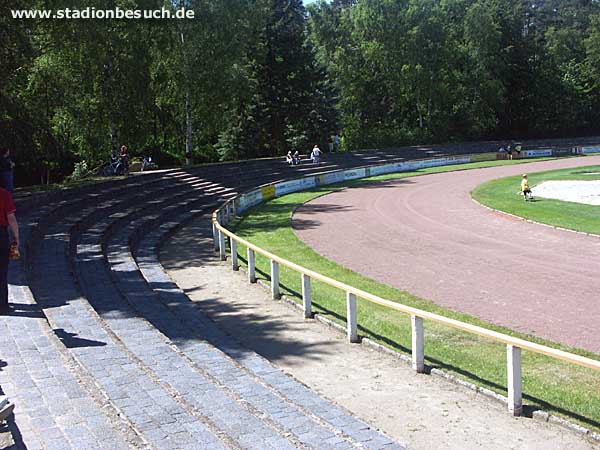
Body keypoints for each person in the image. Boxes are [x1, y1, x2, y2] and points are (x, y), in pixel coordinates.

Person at [0, 187, 18, 315]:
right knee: (2, 270)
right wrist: (17, 237)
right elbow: (11, 217)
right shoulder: (4, 194)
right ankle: (2, 305)